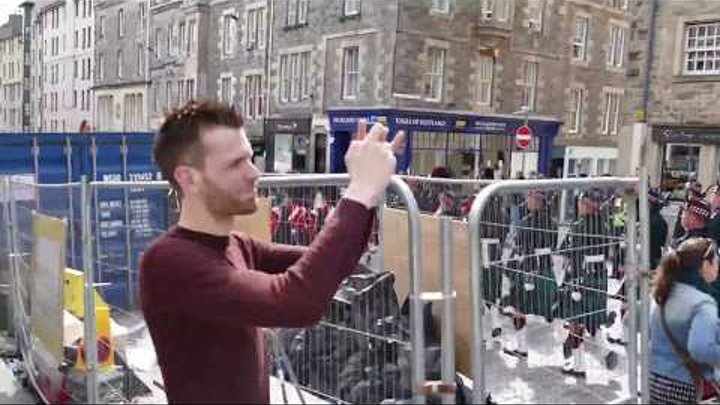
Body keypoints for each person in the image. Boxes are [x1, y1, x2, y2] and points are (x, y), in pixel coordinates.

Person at [139, 100, 404, 403]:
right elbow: (296, 301)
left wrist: (368, 192)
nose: (254, 173)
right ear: (188, 177)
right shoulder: (167, 262)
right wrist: (360, 191)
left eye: (250, 159)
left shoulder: (237, 245)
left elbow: (331, 263)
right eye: (235, 163)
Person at [650, 237, 720, 404]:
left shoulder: (662, 293)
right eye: (716, 260)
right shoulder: (703, 302)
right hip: (681, 384)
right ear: (705, 265)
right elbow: (700, 348)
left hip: (651, 379)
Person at [649, 188, 669, 270]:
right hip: (655, 256)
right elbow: (663, 242)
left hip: (650, 257)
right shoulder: (661, 220)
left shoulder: (650, 220)